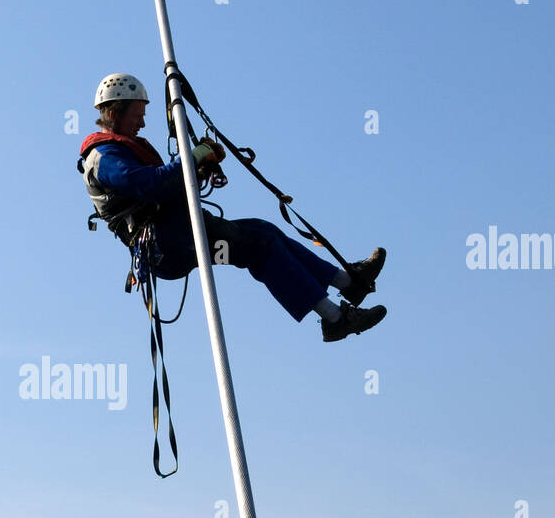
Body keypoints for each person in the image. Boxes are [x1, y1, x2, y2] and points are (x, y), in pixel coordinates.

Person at [79, 74, 387, 341]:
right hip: (166, 246)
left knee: (262, 231)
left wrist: (199, 166)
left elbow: (164, 188)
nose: (143, 122)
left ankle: (348, 282)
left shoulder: (122, 149)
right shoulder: (104, 157)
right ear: (116, 111)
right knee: (259, 244)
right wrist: (193, 156)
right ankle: (335, 318)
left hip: (176, 235)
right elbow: (149, 184)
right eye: (138, 114)